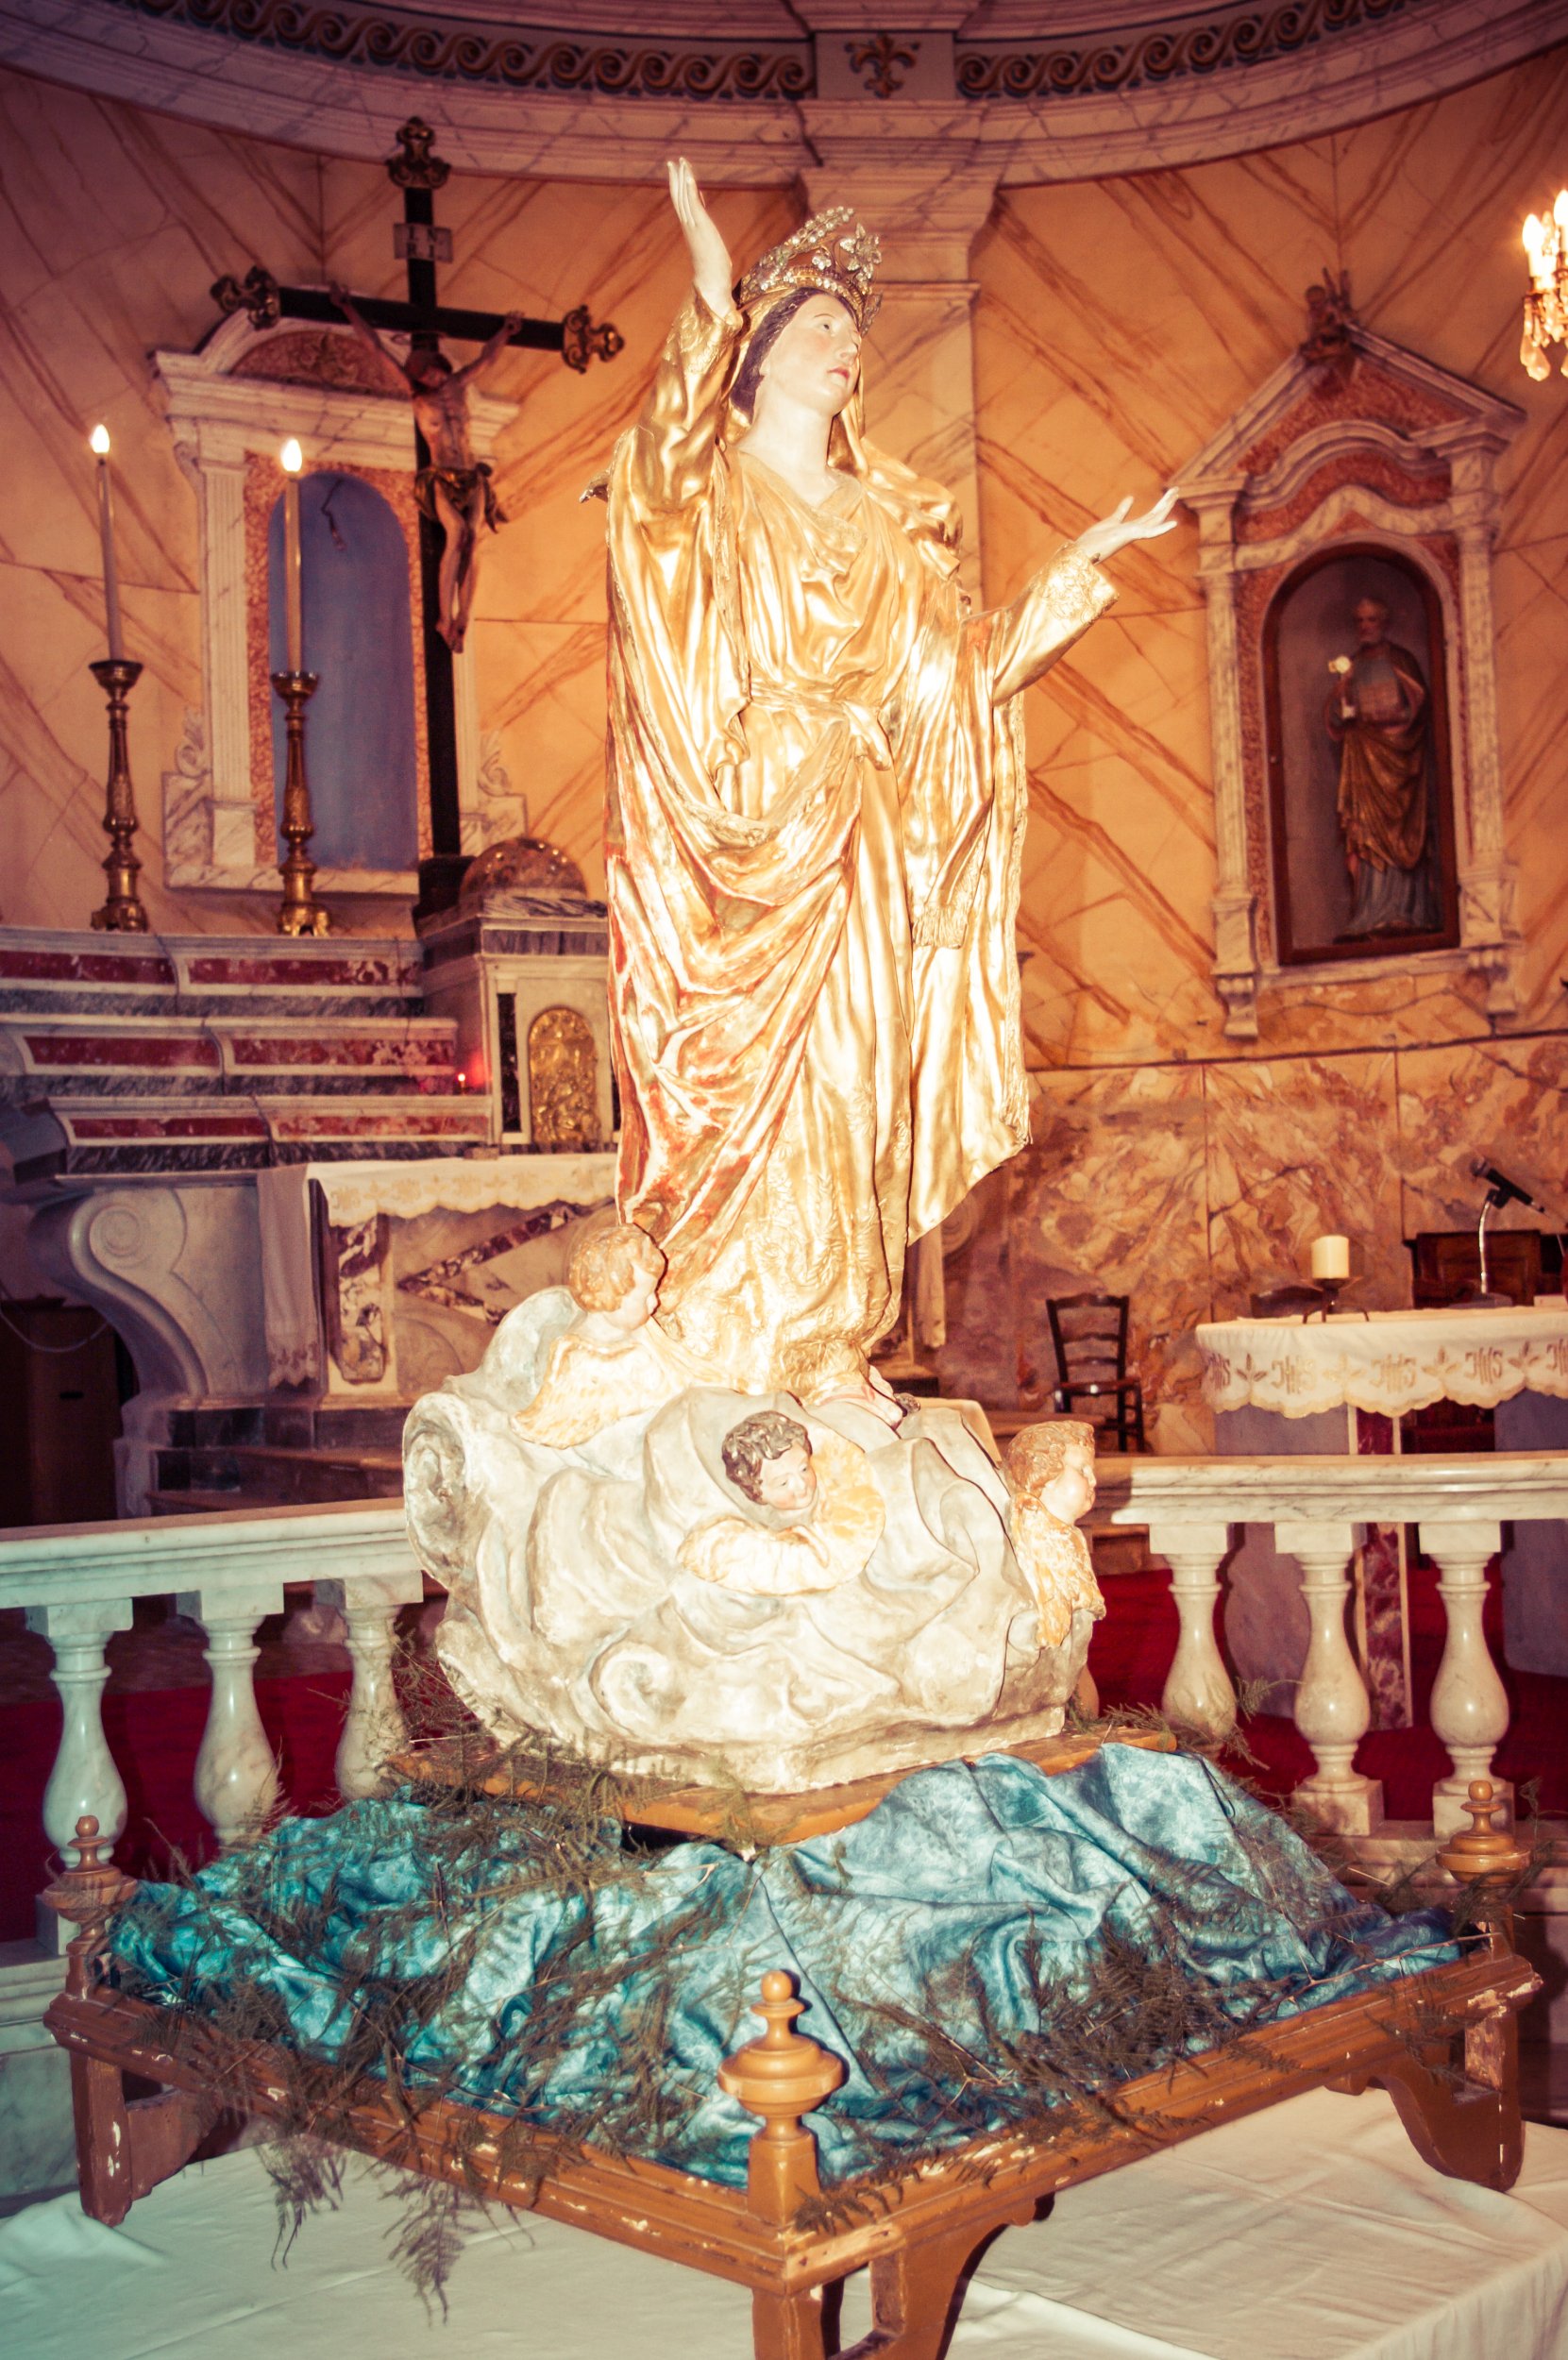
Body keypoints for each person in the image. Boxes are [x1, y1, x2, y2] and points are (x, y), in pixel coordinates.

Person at [600, 160, 1176, 1420]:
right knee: (743, 1090)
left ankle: (827, 1339)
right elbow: (649, 491)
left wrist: (1071, 576)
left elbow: (955, 680)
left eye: (851, 335)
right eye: (818, 325)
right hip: (748, 836)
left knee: (853, 1078)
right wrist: (707, 293)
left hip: (854, 836)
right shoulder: (711, 491)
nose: (842, 348)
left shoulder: (881, 527)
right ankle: (730, 1328)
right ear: (758, 351)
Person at [330, 286, 524, 652]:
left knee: (474, 539)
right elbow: (376, 349)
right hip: (441, 476)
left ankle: (464, 616)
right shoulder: (416, 396)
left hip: (471, 475)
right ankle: (444, 617)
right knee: (457, 534)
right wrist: (348, 309)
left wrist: (506, 332)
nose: (433, 380)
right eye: (426, 376)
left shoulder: (458, 385)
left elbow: (487, 359)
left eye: (435, 373)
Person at [510, 1220, 684, 1448]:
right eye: (644, 1296)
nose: (655, 1302)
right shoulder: (583, 1361)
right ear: (611, 1297)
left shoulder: (639, 1327)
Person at [1325, 595, 1440, 938]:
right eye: (1360, 621)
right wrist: (1342, 697)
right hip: (1363, 762)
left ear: (1384, 623)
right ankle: (1370, 912)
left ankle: (1406, 911)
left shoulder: (1401, 660)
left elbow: (1420, 709)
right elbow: (1337, 718)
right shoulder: (1350, 666)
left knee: (1402, 832)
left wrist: (1396, 717)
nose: (1365, 627)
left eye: (1371, 620)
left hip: (1400, 763)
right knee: (1364, 835)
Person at [1001, 1420, 1105, 1650]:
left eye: (1092, 1471)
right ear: (1046, 1475)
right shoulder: (1032, 1534)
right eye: (1082, 1470)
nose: (1093, 1481)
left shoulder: (1068, 1536)